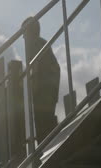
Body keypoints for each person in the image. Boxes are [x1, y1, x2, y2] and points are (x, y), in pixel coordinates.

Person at [22, 17, 60, 145]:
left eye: (23, 33)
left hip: (45, 88)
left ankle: (46, 144)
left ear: (30, 31)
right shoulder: (40, 43)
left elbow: (38, 66)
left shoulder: (35, 44)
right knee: (44, 118)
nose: (23, 38)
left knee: (43, 119)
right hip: (48, 86)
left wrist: (34, 84)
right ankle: (47, 142)